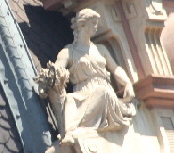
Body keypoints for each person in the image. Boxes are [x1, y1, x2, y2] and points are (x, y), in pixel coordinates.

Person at [37, 9, 136, 142]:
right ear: (83, 25)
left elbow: (115, 69)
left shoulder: (101, 49)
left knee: (103, 91)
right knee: (70, 99)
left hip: (103, 90)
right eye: (93, 23)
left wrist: (127, 83)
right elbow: (57, 68)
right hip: (83, 92)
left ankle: (76, 129)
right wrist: (48, 79)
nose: (96, 27)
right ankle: (69, 133)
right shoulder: (69, 51)